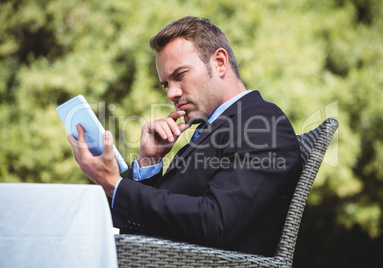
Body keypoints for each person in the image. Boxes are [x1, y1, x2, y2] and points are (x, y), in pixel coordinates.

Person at [68, 16, 302, 257]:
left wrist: (114, 183)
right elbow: (155, 222)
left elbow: (214, 222)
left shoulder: (262, 123)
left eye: (180, 75)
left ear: (220, 62)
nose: (171, 93)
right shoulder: (210, 129)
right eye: (165, 84)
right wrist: (149, 162)